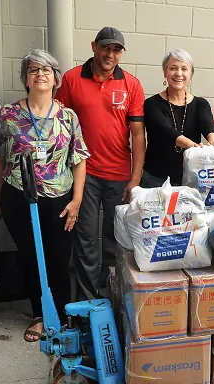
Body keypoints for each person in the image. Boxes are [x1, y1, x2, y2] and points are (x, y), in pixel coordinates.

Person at [0, 49, 90, 341]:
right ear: (25, 78)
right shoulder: (9, 115)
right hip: (19, 198)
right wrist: (2, 196)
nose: (40, 75)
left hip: (60, 199)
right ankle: (39, 315)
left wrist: (76, 200)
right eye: (34, 70)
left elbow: (79, 159)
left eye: (46, 70)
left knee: (59, 260)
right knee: (32, 258)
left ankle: (60, 314)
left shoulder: (68, 116)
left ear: (55, 78)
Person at [55, 27, 145, 298]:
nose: (110, 53)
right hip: (85, 176)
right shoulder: (72, 79)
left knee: (115, 241)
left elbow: (138, 135)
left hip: (118, 175)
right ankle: (88, 302)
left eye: (116, 49)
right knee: (85, 242)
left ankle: (112, 297)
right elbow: (59, 125)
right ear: (94, 46)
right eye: (105, 47)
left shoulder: (131, 84)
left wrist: (135, 178)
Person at [142, 49, 214, 187]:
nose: (179, 73)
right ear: (165, 72)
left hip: (190, 179)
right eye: (173, 68)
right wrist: (194, 146)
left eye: (184, 69)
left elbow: (209, 128)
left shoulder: (200, 104)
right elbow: (167, 132)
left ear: (190, 74)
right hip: (155, 179)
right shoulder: (151, 104)